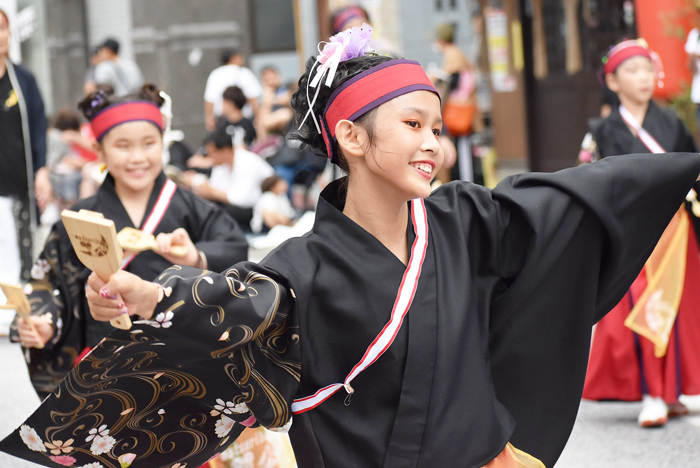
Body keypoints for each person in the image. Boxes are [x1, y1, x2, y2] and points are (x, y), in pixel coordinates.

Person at [2, 25, 700, 468]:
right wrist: (153, 293)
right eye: (413, 124)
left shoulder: (465, 219)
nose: (434, 142)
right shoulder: (300, 262)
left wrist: (680, 168)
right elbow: (231, 302)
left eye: (436, 126)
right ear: (353, 140)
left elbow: (577, 203)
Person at [8, 84, 249, 399]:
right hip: (105, 367)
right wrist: (45, 322)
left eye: (149, 143)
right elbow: (47, 281)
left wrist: (197, 258)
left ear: (163, 141)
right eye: (123, 146)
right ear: (100, 150)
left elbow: (235, 250)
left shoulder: (189, 206)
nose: (138, 157)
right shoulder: (80, 218)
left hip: (185, 365)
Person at [579, 39, 700, 427]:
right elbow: (595, 181)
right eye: (632, 71)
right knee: (640, 307)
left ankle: (672, 390)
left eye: (648, 69)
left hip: (675, 230)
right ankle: (651, 392)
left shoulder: (672, 123)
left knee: (677, 309)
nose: (643, 77)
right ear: (612, 82)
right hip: (632, 233)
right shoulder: (602, 129)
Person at [0, 8, 49, 321]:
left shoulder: (24, 79)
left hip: (18, 183)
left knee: (22, 251)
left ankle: (19, 315)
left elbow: (38, 126)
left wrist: (42, 170)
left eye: (3, 29)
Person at [185, 125, 274, 227]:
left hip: (259, 209)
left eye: (212, 154)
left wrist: (213, 192)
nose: (210, 158)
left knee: (221, 211)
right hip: (238, 207)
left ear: (225, 150)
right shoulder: (221, 165)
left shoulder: (247, 161)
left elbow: (246, 199)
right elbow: (214, 188)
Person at [204, 48, 261, 130]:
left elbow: (209, 99)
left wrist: (209, 118)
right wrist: (258, 117)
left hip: (221, 121)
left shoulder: (215, 74)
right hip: (244, 120)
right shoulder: (244, 73)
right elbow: (252, 97)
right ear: (233, 57)